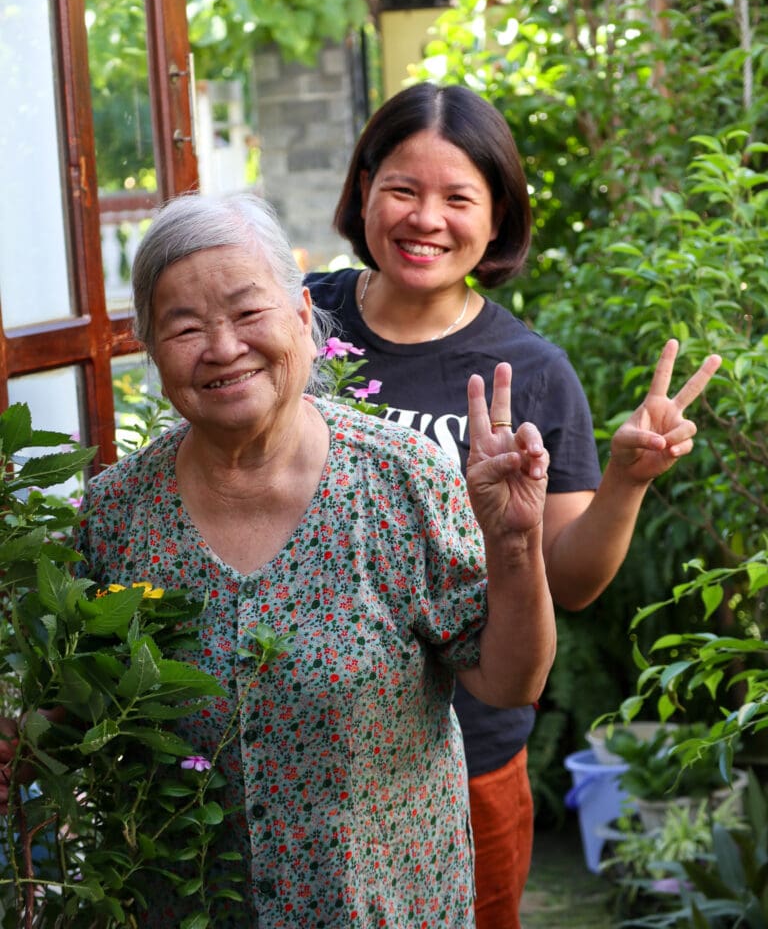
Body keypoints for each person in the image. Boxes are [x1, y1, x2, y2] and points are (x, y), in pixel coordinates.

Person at [17, 190, 554, 928]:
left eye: (246, 312)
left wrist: (516, 544)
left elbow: (508, 681)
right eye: (184, 326)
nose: (223, 346)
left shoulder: (399, 481)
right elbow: (78, 712)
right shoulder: (116, 515)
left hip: (384, 910)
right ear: (150, 348)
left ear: (302, 316)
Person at [304, 81, 722, 929]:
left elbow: (569, 582)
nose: (426, 218)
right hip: (307, 736)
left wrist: (626, 480)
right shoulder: (300, 320)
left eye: (459, 198)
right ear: (363, 193)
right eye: (402, 189)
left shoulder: (528, 370)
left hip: (466, 747)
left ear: (497, 221)